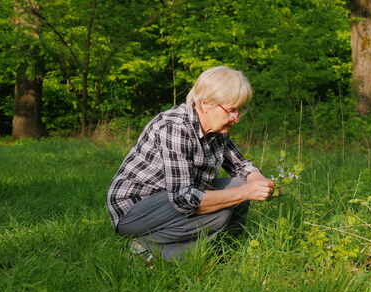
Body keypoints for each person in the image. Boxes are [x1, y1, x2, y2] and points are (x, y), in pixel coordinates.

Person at [106, 66, 274, 261]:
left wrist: (257, 180)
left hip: (171, 201)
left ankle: (224, 253)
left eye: (240, 110)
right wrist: (245, 193)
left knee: (241, 188)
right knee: (220, 213)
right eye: (231, 110)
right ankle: (145, 247)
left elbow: (241, 166)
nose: (236, 118)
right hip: (135, 208)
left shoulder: (216, 129)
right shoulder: (175, 127)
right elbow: (184, 199)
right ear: (204, 104)